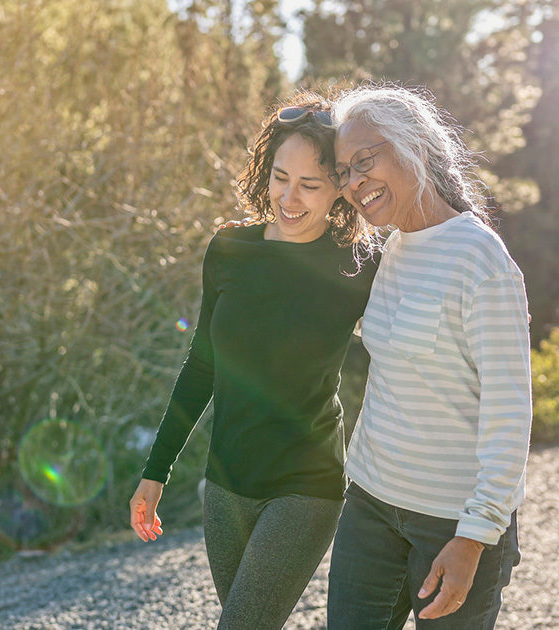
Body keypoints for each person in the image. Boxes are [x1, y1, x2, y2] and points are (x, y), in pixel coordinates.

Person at [129, 93, 379, 629]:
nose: (289, 198)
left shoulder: (358, 266)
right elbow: (202, 365)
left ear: (340, 187)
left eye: (310, 185)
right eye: (280, 177)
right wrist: (157, 471)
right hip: (225, 484)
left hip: (306, 484)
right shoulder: (229, 250)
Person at [325, 84, 532, 629]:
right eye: (344, 170)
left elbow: (509, 414)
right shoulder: (388, 250)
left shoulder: (481, 260)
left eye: (364, 160)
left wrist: (475, 537)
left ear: (414, 143)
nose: (353, 183)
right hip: (369, 505)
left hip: (452, 524)